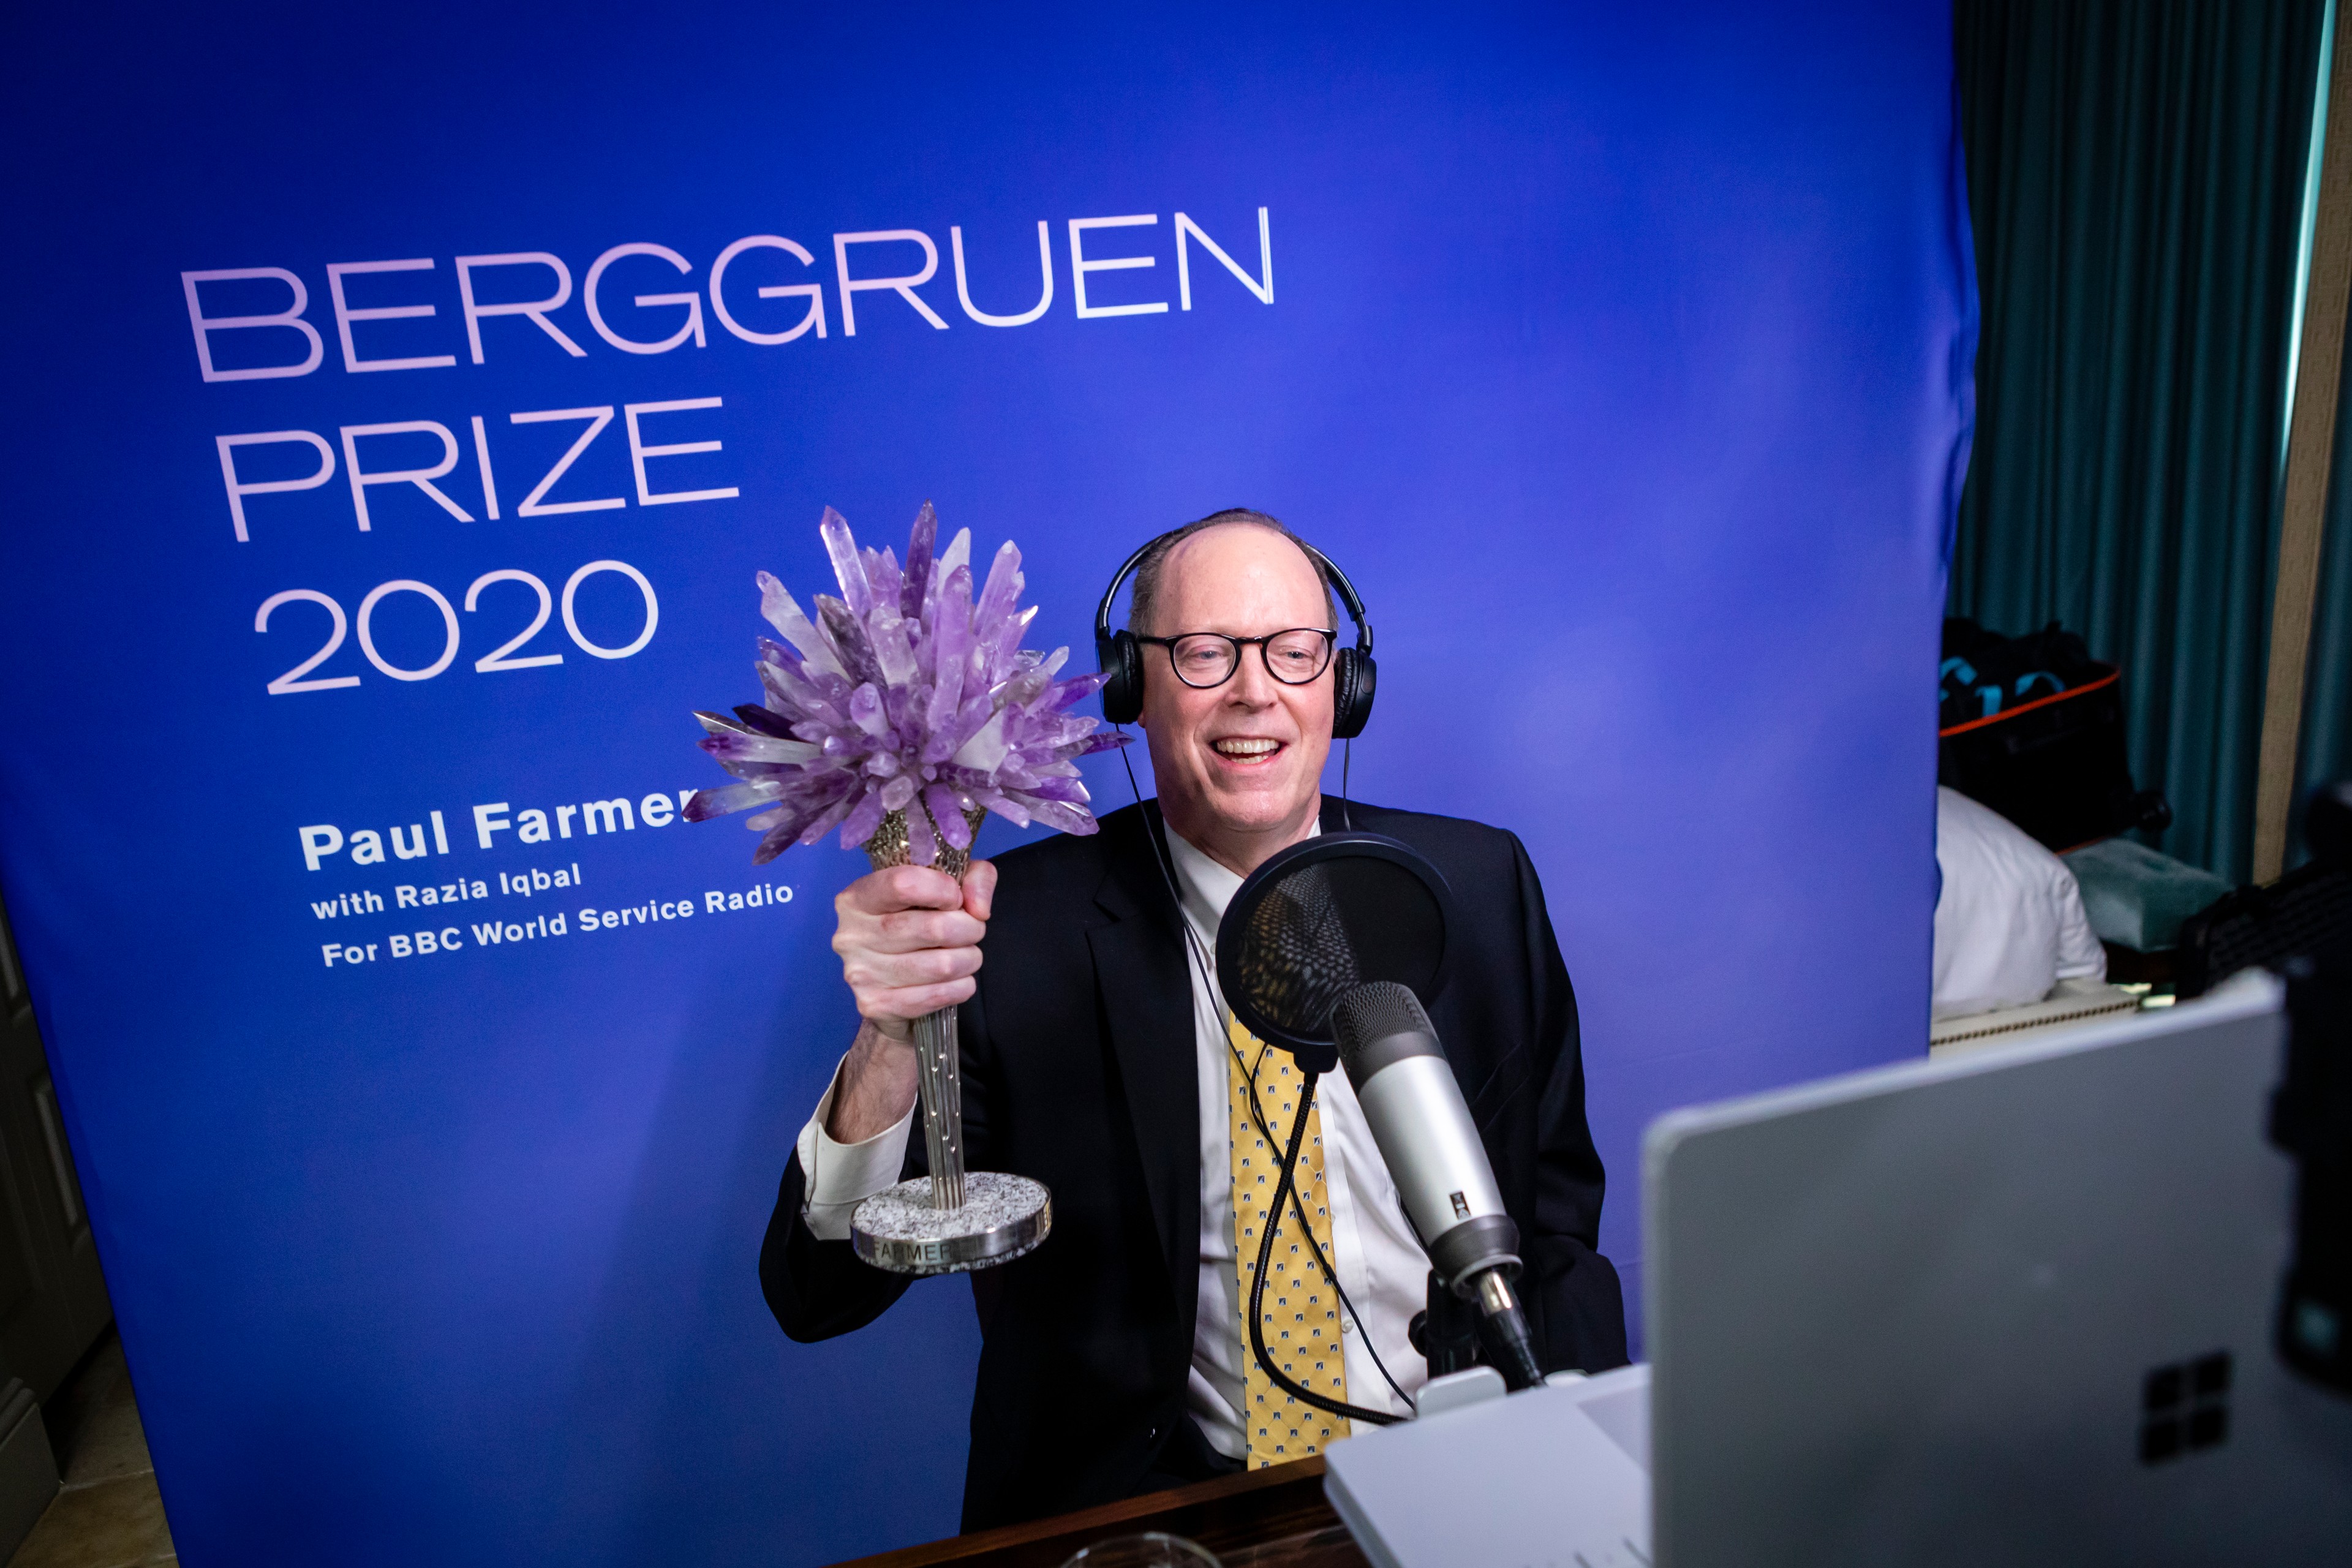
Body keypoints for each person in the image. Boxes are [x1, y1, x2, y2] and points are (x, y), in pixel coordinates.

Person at [761, 510, 1625, 1531]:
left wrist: (1574, 1459)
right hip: (1163, 1518)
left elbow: (1557, 1222)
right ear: (1134, 687)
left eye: (1294, 653)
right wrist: (893, 1038)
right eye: (1206, 654)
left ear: (1340, 688)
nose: (1255, 690)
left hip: (1467, 1471)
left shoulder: (1478, 886)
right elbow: (818, 1297)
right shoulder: (1008, 928)